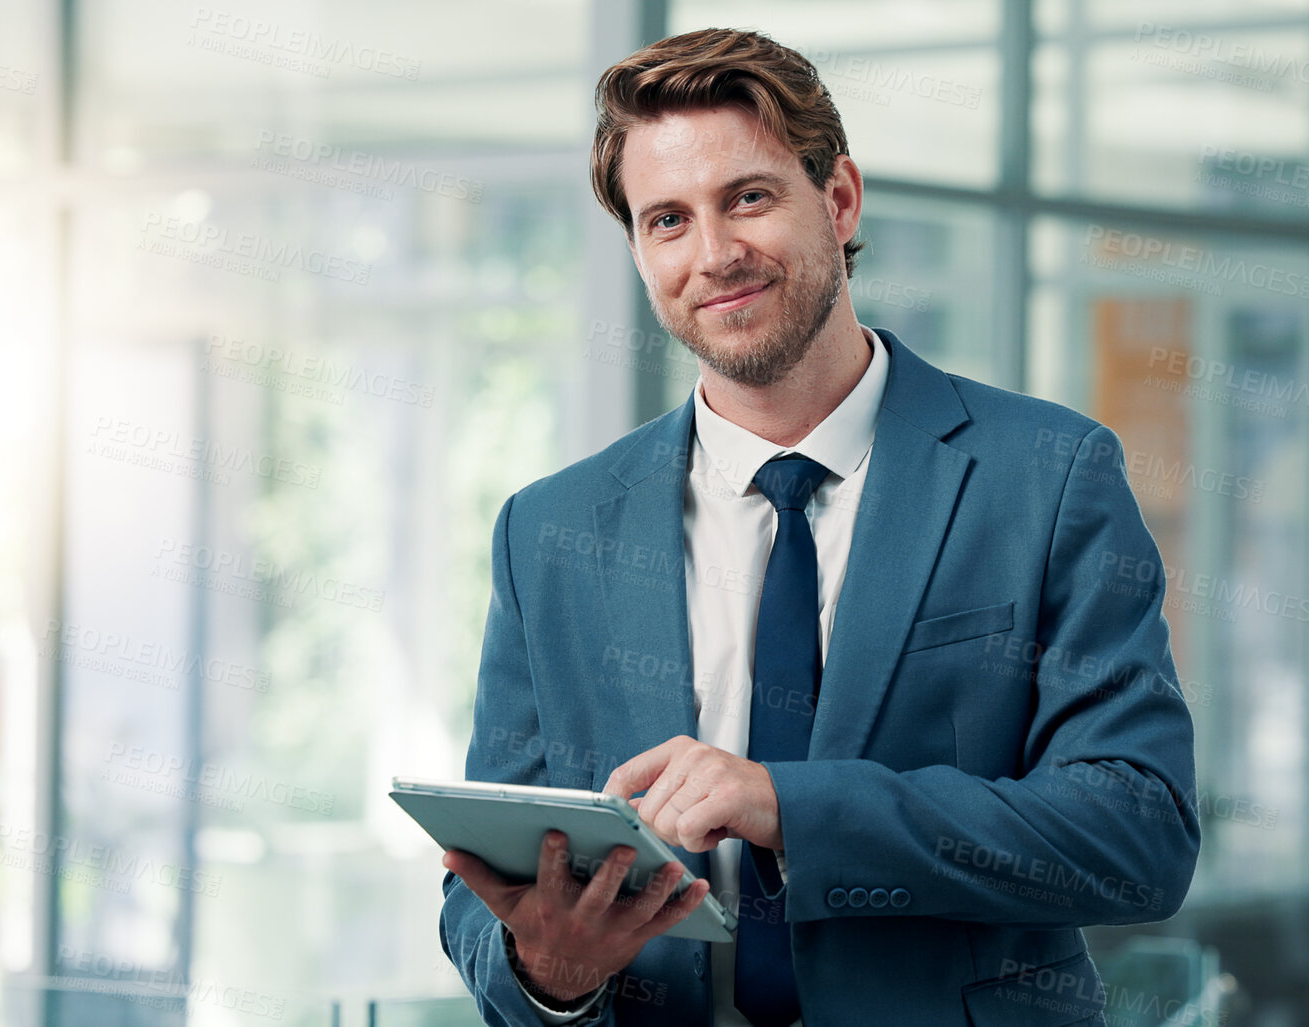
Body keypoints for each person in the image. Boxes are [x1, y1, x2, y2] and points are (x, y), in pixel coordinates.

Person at [438, 27, 1198, 1027]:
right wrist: (548, 969)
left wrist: (788, 806)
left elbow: (1135, 832)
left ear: (837, 200)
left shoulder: (1046, 476)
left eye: (747, 197)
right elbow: (479, 892)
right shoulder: (550, 530)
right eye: (667, 220)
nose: (713, 254)